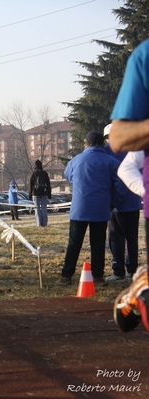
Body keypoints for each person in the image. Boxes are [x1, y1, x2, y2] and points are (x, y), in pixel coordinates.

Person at [109, 38, 149, 332]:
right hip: (128, 205)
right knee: (118, 240)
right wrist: (143, 191)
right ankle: (141, 291)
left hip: (129, 205)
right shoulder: (145, 56)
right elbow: (120, 139)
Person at [59, 131, 127, 285]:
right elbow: (121, 185)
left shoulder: (75, 161)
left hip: (79, 208)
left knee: (74, 243)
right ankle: (97, 277)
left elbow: (69, 176)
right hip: (101, 208)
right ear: (102, 143)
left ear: (86, 143)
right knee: (98, 243)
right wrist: (113, 203)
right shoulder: (111, 162)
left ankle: (66, 275)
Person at [103, 124, 142, 283]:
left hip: (116, 205)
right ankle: (132, 272)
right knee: (131, 239)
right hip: (133, 202)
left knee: (115, 238)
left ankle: (118, 272)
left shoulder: (107, 151)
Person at [29, 160, 51, 227]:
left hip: (36, 194)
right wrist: (49, 194)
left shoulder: (34, 174)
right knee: (44, 208)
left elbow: (31, 185)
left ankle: (39, 224)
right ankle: (44, 224)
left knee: (37, 208)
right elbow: (48, 184)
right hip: (44, 193)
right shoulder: (45, 173)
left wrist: (30, 194)